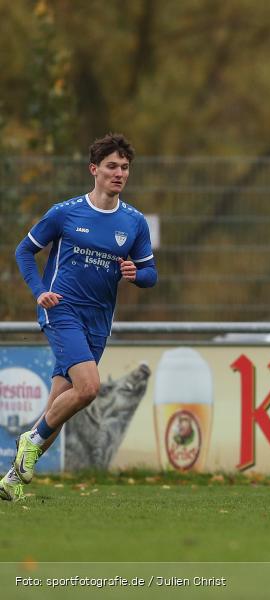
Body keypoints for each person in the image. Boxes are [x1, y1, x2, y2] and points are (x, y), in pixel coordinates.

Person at [2, 133, 157, 502]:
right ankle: (30, 440)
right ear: (94, 170)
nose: (119, 173)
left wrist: (138, 274)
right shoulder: (65, 212)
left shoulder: (134, 222)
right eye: (111, 167)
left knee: (61, 401)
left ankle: (11, 480)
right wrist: (39, 291)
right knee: (88, 388)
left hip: (99, 320)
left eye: (124, 168)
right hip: (61, 309)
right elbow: (25, 251)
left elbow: (151, 274)